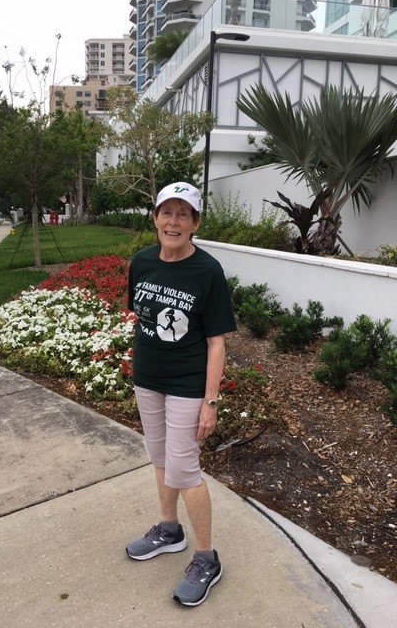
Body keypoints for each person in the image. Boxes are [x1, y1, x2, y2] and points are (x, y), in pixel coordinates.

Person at [126, 181, 237, 606]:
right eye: (166, 212)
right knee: (160, 460)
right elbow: (142, 317)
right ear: (154, 218)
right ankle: (169, 530)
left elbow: (216, 342)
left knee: (185, 469)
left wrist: (210, 402)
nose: (173, 221)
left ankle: (207, 558)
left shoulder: (207, 271)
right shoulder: (141, 262)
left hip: (188, 385)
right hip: (148, 379)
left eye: (183, 214)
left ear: (194, 224)